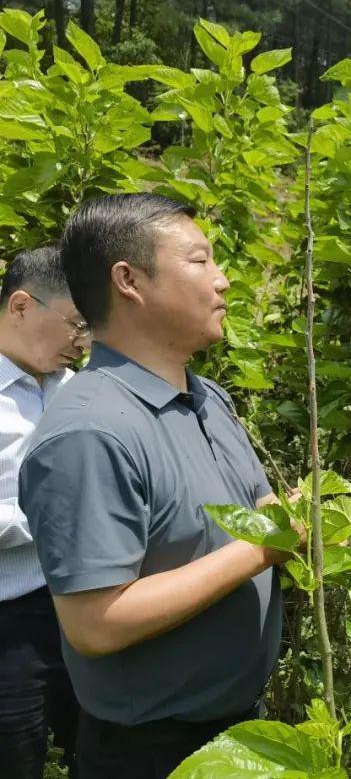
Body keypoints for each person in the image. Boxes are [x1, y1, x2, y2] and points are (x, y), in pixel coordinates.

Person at [19, 194, 296, 779]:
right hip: (155, 752)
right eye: (199, 261)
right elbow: (96, 623)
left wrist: (286, 515)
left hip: (241, 726)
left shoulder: (206, 397)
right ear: (129, 281)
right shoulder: (90, 432)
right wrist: (260, 550)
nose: (222, 280)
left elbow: (247, 510)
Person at [0, 247, 90, 778]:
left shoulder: (73, 389)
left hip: (77, 603)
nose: (81, 343)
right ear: (21, 306)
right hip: (8, 621)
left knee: (97, 745)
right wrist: (60, 517)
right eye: (75, 324)